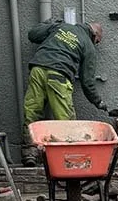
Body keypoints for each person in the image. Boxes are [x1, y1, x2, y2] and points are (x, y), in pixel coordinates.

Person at [22, 19, 103, 160]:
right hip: (58, 77)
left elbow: (32, 35)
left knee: (32, 111)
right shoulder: (88, 45)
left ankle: (30, 153)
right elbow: (87, 81)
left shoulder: (60, 27)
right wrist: (98, 101)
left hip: (38, 69)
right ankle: (68, 158)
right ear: (94, 35)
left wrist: (47, 24)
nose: (96, 44)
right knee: (65, 120)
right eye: (98, 41)